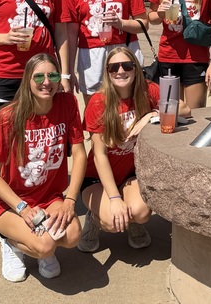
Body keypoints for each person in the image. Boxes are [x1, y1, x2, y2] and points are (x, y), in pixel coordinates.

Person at [0, 53, 87, 283]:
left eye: (53, 76)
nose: (46, 82)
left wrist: (70, 200)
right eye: (39, 77)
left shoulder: (67, 103)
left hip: (50, 198)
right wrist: (22, 208)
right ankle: (10, 242)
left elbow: (80, 154)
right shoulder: (9, 116)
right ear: (27, 80)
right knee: (45, 246)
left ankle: (39, 242)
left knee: (73, 236)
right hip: (12, 204)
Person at [78, 46, 190, 253]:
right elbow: (100, 155)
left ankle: (133, 222)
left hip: (131, 173)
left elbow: (185, 108)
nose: (120, 71)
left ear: (136, 69)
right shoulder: (98, 102)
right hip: (98, 177)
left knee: (141, 213)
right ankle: (93, 218)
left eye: (127, 66)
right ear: (107, 72)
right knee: (112, 223)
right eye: (114, 68)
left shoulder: (148, 90)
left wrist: (152, 114)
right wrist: (114, 199)